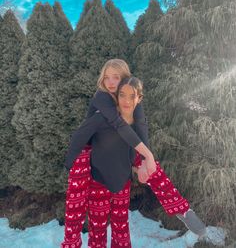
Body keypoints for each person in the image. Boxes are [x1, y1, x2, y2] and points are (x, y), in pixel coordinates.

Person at [61, 61, 206, 248]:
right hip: (88, 152)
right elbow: (119, 125)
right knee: (79, 211)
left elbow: (141, 130)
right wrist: (146, 156)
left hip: (120, 158)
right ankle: (71, 242)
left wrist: (146, 160)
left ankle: (182, 209)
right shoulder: (102, 99)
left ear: (126, 79)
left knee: (149, 166)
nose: (111, 82)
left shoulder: (132, 98)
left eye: (116, 77)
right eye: (107, 77)